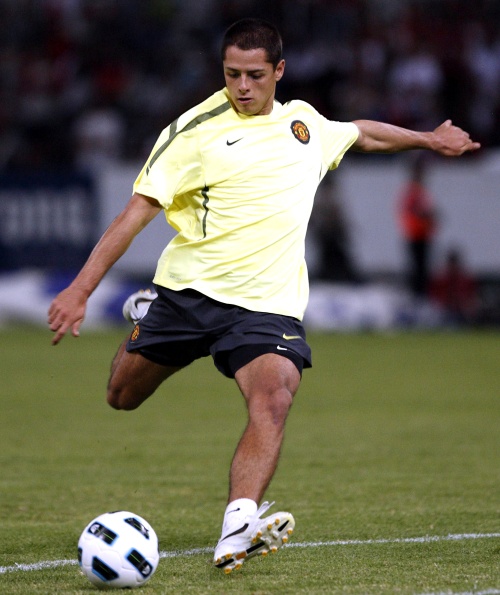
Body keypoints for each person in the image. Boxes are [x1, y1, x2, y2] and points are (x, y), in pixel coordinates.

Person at [48, 18, 480, 574]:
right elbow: (136, 212)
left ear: (279, 71)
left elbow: (360, 133)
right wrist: (80, 289)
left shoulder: (304, 124)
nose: (242, 86)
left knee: (274, 398)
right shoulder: (194, 131)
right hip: (189, 293)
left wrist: (428, 139)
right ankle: (148, 313)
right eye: (232, 74)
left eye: (254, 75)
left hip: (266, 306)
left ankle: (238, 526)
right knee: (121, 396)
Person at [397, 155, 438, 297]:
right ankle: (417, 296)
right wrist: (427, 215)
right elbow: (415, 210)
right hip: (416, 234)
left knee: (422, 268)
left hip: (423, 233)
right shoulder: (413, 191)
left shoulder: (419, 191)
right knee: (418, 268)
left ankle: (420, 294)